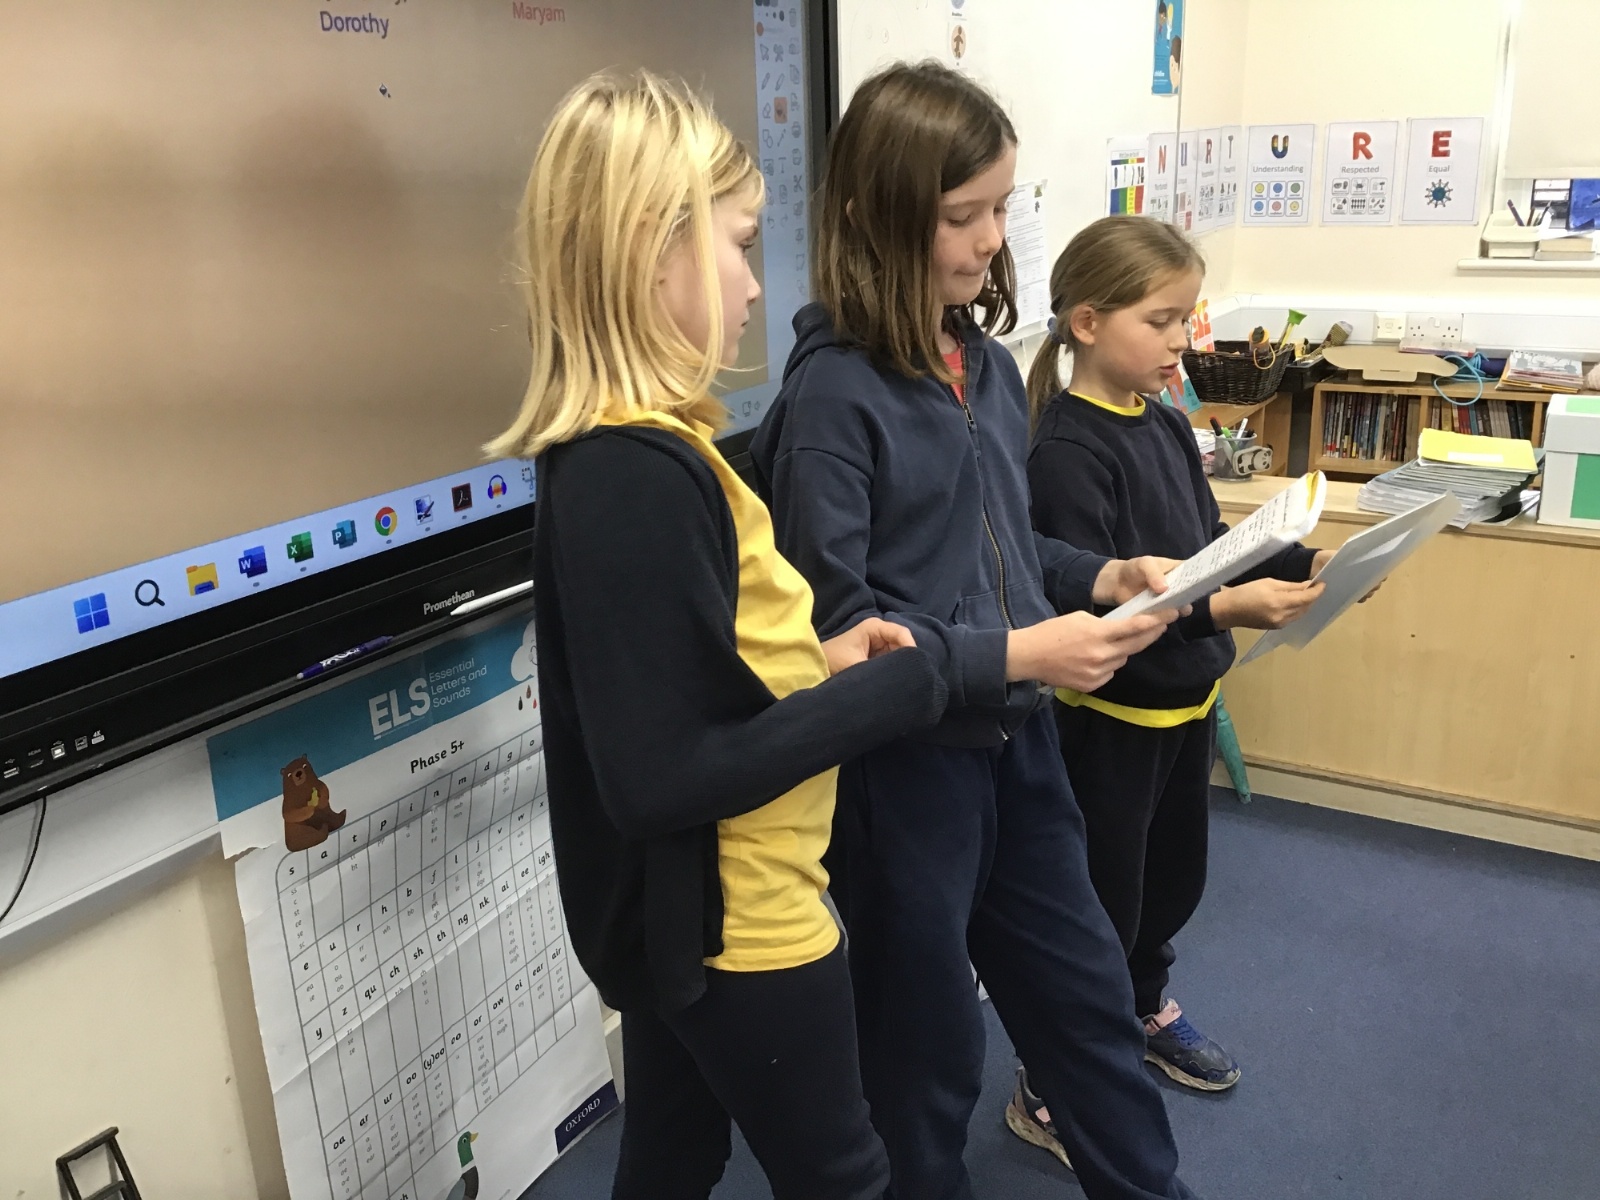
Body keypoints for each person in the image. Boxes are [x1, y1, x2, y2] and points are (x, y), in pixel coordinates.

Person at [490, 72, 948, 1200]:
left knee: (673, 1156)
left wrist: (820, 665)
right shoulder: (628, 476)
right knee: (844, 1176)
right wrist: (884, 697)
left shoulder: (651, 450)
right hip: (741, 922)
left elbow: (690, 675)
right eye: (739, 246)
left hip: (692, 918)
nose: (754, 284)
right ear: (651, 251)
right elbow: (661, 777)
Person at [752, 62, 1199, 1200]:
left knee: (1090, 1011)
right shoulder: (831, 399)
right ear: (881, 215)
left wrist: (1101, 574)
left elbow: (1004, 552)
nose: (993, 241)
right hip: (907, 782)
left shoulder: (987, 367)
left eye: (1001, 208)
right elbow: (840, 634)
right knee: (924, 1059)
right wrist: (1018, 654)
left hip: (1023, 755)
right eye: (964, 215)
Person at [1022, 214, 1330, 1106]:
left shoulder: (1160, 422)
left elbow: (1212, 545)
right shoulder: (1065, 449)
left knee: (1168, 886)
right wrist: (1227, 609)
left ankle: (1143, 1008)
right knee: (1101, 905)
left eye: (1184, 320)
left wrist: (1308, 562)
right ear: (1087, 322)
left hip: (1184, 710)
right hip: (1112, 723)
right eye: (1159, 321)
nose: (1180, 343)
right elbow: (1100, 606)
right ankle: (1052, 1075)